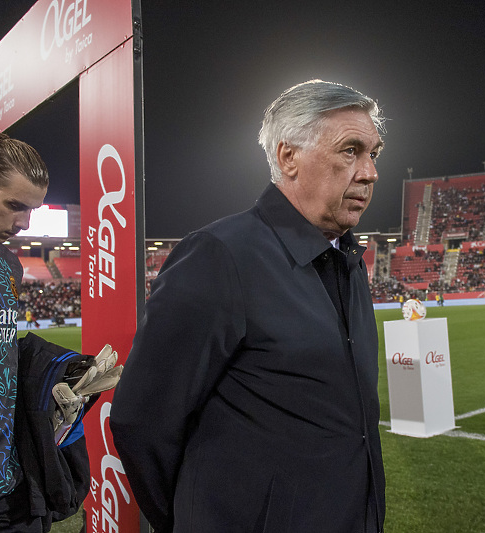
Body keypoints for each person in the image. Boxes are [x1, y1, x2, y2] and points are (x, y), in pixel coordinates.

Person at [110, 80, 386, 532]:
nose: (370, 172)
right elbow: (141, 421)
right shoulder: (220, 255)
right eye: (351, 150)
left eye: (373, 153)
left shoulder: (349, 264)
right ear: (288, 157)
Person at [0, 134, 118, 531]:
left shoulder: (10, 265)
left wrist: (53, 377)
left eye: (32, 210)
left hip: (11, 478)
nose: (25, 223)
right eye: (15, 206)